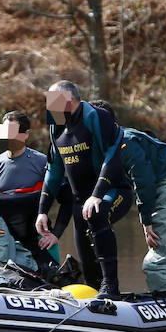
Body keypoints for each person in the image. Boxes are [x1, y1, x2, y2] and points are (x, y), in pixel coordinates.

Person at [89, 100, 166, 291]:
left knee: (158, 265)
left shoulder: (126, 143)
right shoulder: (122, 137)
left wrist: (146, 220)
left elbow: (144, 181)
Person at [36, 81, 132, 298]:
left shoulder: (97, 117)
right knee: (88, 262)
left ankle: (111, 287)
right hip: (80, 201)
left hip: (112, 191)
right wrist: (42, 210)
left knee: (96, 215)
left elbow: (113, 157)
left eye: (53, 101)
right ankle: (96, 298)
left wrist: (97, 195)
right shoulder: (56, 124)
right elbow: (54, 170)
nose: (48, 106)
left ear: (69, 100)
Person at [0, 111, 73, 272]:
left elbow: (67, 199)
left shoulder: (42, 163)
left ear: (26, 134)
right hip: (3, 243)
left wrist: (56, 234)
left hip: (39, 242)